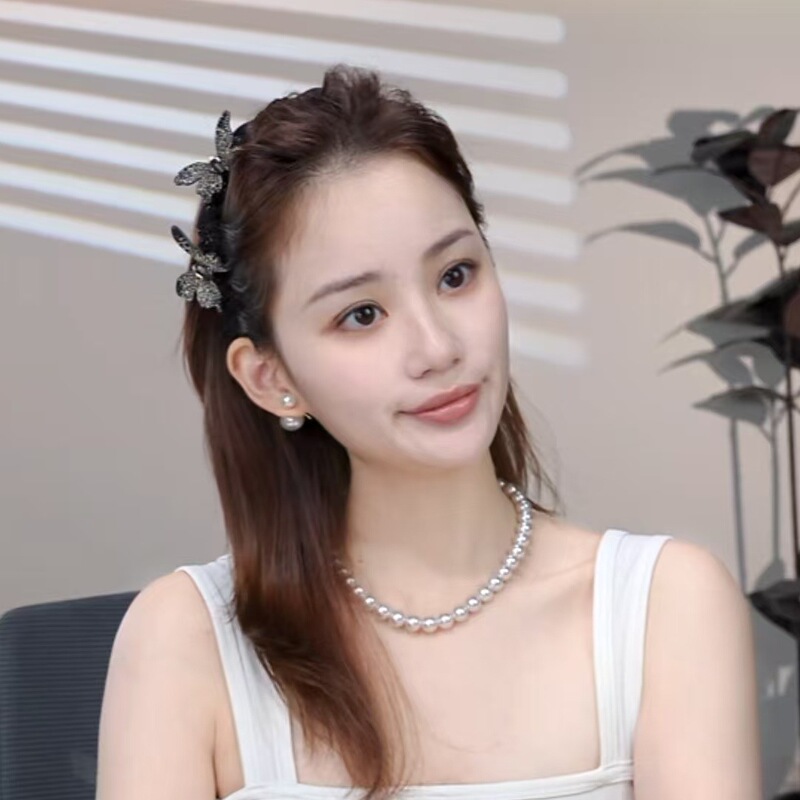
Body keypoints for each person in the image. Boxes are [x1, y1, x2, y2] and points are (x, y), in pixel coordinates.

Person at [95, 64, 763, 800]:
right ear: (270, 376)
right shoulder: (186, 641)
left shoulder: (664, 607)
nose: (439, 347)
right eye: (361, 315)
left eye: (455, 275)